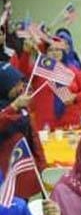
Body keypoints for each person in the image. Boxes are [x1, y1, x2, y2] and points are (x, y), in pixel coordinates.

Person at [0, 63, 46, 198]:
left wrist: (42, 166)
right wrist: (13, 107)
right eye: (16, 85)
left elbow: (33, 138)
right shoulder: (14, 106)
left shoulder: (21, 106)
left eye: (21, 83)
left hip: (26, 172)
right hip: (6, 175)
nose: (21, 88)